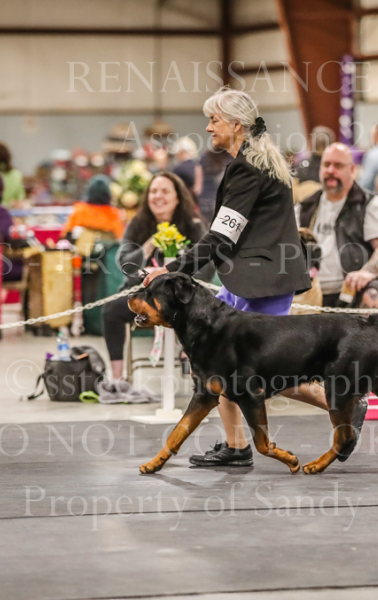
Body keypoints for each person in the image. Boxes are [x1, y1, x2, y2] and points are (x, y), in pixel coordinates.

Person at [145, 87, 354, 468]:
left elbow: (222, 237)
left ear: (236, 125)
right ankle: (237, 446)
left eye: (214, 120)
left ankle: (343, 404)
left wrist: (171, 272)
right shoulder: (262, 160)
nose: (208, 128)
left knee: (260, 371)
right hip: (255, 279)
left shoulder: (247, 168)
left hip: (261, 283)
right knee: (223, 363)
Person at [100, 172, 210, 392]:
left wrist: (174, 274)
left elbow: (206, 269)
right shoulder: (137, 224)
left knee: (203, 309)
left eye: (165, 191)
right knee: (110, 311)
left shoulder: (194, 224)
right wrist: (150, 244)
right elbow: (124, 264)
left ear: (177, 197)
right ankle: (118, 379)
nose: (158, 196)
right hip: (144, 296)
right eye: (154, 191)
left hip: (183, 297)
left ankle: (196, 368)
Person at [298, 143, 378, 309]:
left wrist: (367, 272)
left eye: (338, 165)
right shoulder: (305, 206)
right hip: (311, 289)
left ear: (352, 170)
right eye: (326, 165)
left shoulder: (371, 204)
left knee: (373, 295)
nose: (331, 170)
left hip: (353, 290)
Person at [59, 175, 125, 239]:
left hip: (82, 246)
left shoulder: (79, 211)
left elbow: (65, 235)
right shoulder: (114, 215)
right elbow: (120, 237)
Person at [196, 146, 233, 222]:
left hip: (205, 203)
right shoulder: (231, 158)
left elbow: (198, 187)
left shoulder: (205, 156)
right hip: (224, 203)